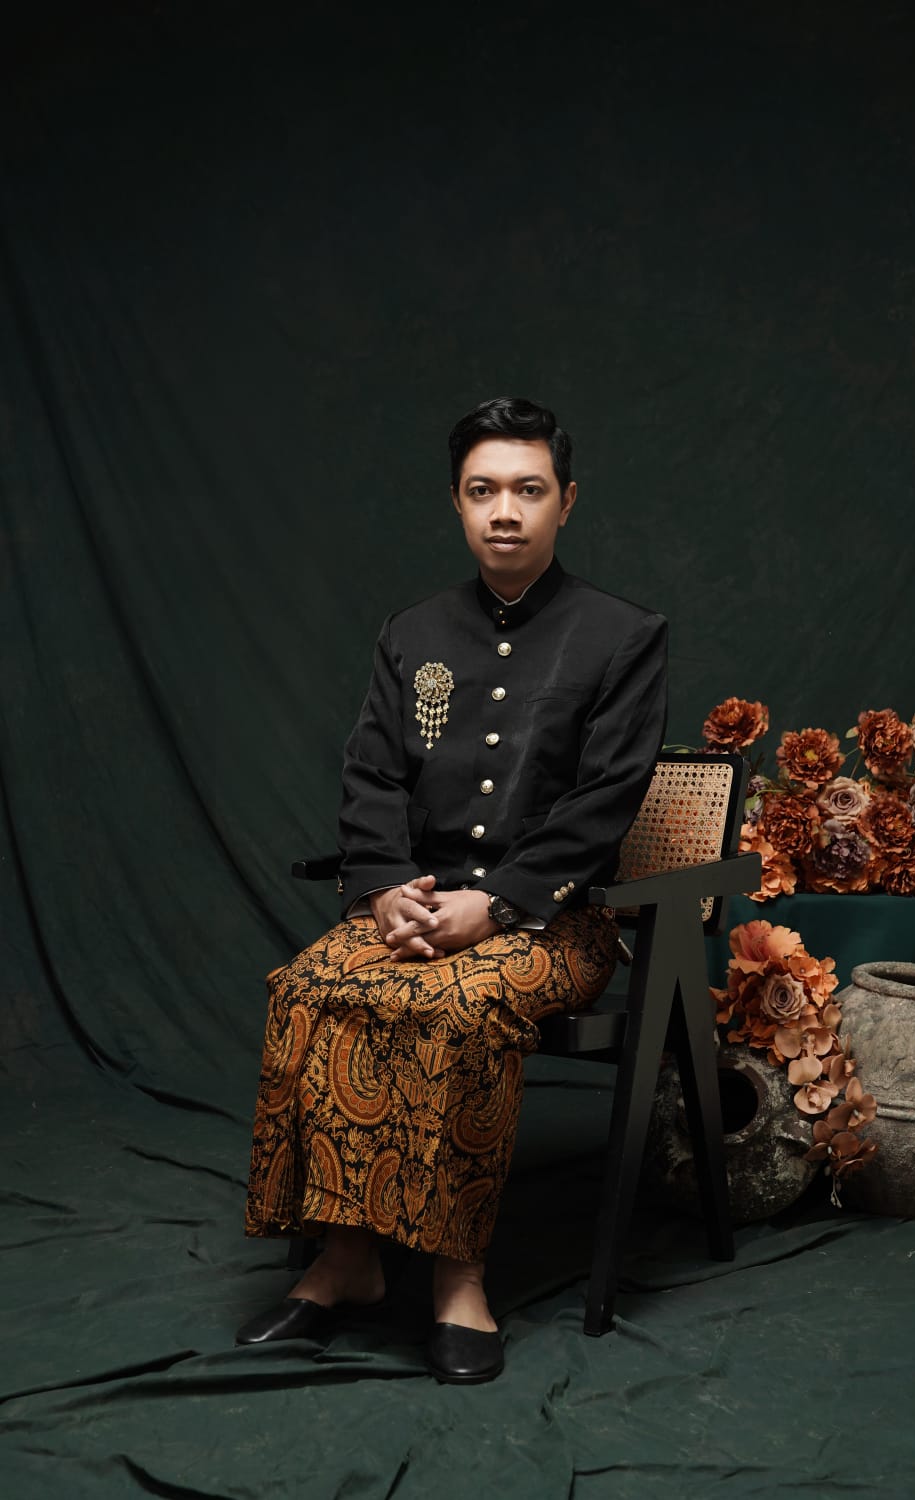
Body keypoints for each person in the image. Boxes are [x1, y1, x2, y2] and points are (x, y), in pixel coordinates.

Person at [237, 396, 668, 1383]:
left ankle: (457, 1279)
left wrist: (499, 903)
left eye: (528, 490)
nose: (504, 511)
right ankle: (345, 1261)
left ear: (566, 502)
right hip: (418, 903)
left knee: (454, 1005)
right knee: (310, 985)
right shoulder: (413, 631)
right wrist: (386, 887)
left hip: (556, 922)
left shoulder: (623, 634)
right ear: (457, 503)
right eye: (483, 491)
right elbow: (372, 774)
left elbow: (607, 796)